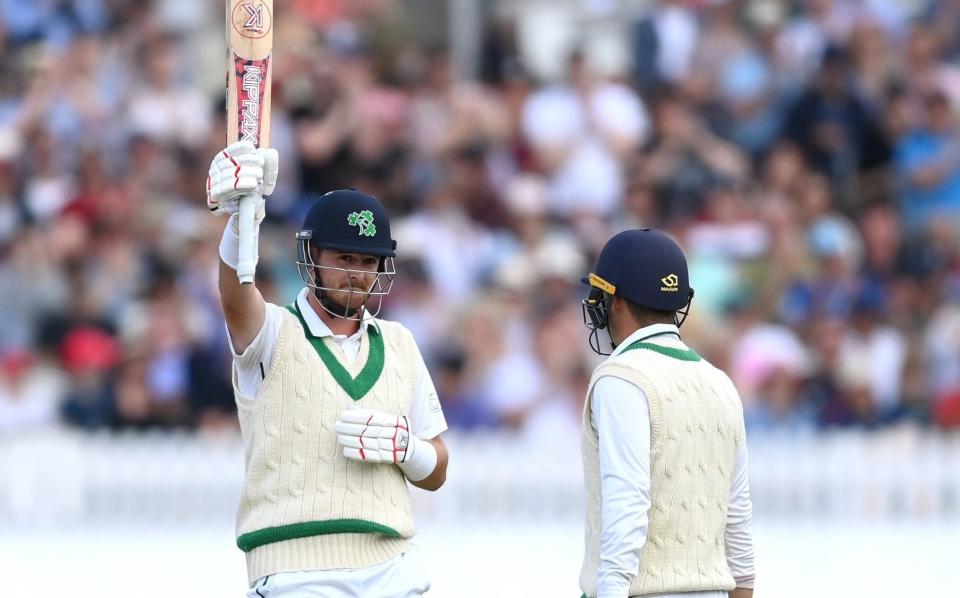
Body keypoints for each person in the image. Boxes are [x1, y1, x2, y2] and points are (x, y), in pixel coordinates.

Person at [205, 141, 449, 597]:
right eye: (344, 259)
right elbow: (236, 299)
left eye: (368, 262)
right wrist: (241, 221)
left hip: (390, 564)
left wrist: (406, 448)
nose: (357, 273)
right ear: (312, 255)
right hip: (296, 569)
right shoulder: (276, 331)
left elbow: (437, 467)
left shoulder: (399, 343)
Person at [579, 229, 755, 598]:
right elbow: (736, 516)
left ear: (617, 301)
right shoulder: (720, 382)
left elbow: (627, 501)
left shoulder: (621, 377)